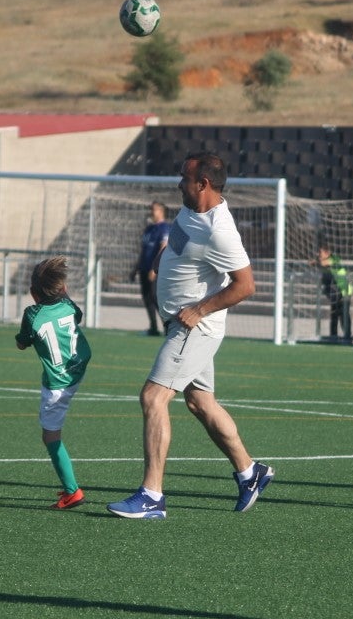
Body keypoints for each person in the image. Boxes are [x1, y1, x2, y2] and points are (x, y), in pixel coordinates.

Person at [107, 152, 274, 519]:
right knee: (200, 403)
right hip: (181, 325)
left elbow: (245, 285)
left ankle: (151, 496)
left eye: (184, 177)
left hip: (193, 329)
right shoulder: (190, 210)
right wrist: (164, 257)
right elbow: (181, 241)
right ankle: (250, 473)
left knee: (153, 398)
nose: (178, 183)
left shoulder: (220, 230)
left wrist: (200, 310)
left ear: (203, 184)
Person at [15, 256, 92, 510]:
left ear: (33, 293)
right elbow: (77, 316)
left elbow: (22, 343)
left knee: (50, 436)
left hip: (58, 383)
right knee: (52, 432)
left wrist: (24, 340)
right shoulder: (69, 306)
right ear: (63, 288)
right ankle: (70, 488)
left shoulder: (32, 315)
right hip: (78, 367)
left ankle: (72, 492)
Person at [131, 201, 170, 336]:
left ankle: (168, 327)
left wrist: (155, 268)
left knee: (155, 297)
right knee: (147, 298)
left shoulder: (164, 228)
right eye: (151, 209)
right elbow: (144, 250)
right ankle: (153, 328)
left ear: (161, 211)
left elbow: (163, 247)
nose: (151, 212)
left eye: (154, 209)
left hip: (155, 270)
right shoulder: (149, 229)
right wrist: (136, 268)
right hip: (144, 268)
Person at [315, 242, 352, 340]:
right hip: (334, 292)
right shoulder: (325, 264)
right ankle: (333, 336)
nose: (318, 254)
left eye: (320, 252)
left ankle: (347, 336)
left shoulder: (335, 258)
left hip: (344, 291)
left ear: (327, 253)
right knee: (334, 314)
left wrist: (316, 261)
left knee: (343, 314)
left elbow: (323, 263)